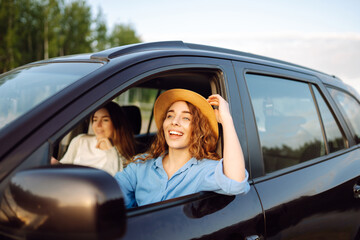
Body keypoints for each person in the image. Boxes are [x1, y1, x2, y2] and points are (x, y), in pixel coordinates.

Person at [114, 89, 250, 208]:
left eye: (185, 118)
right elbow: (112, 195)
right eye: (170, 116)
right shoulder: (141, 165)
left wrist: (226, 119)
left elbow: (236, 183)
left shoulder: (205, 170)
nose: (174, 122)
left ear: (198, 129)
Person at [51, 101, 136, 176]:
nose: (98, 125)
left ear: (117, 123)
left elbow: (112, 181)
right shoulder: (81, 140)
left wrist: (110, 151)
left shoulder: (123, 155)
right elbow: (63, 168)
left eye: (105, 120)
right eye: (95, 120)